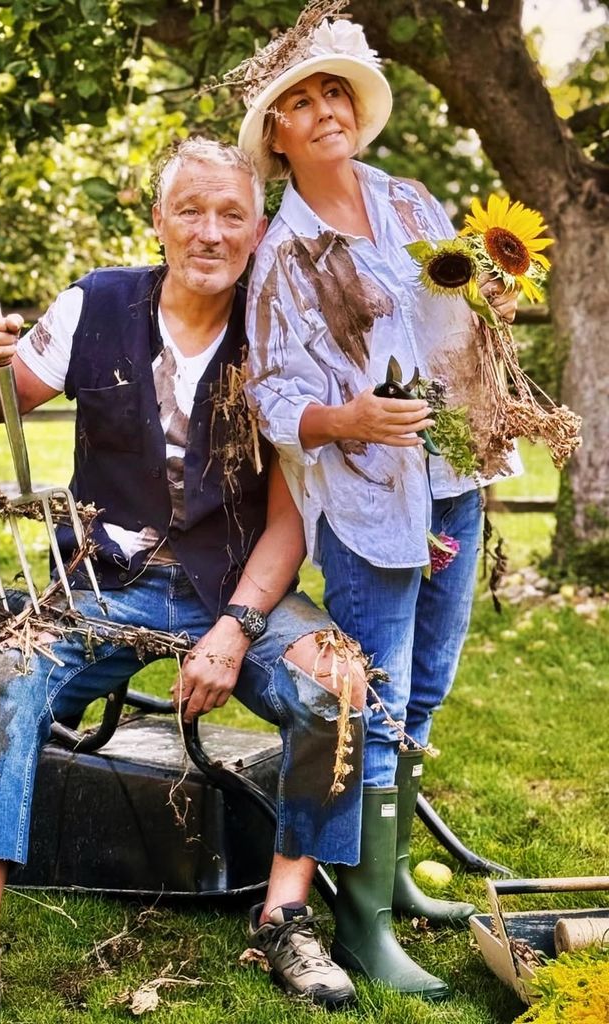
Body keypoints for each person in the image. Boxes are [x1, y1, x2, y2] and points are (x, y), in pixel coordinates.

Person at [0, 138, 369, 1019]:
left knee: (340, 683)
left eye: (232, 213)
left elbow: (288, 521)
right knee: (7, 671)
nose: (209, 230)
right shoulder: (98, 302)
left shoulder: (278, 336)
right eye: (190, 210)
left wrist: (234, 630)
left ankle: (284, 919)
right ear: (158, 220)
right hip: (106, 578)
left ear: (257, 230)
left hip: (234, 584)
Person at [231, 7, 520, 1002]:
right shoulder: (281, 254)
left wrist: (493, 301)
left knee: (426, 689)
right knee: (376, 706)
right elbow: (268, 394)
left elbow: (459, 311)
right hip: (364, 503)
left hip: (451, 476)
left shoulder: (410, 200)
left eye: (332, 93)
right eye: (298, 102)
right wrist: (344, 416)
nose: (322, 112)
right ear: (276, 135)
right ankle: (363, 920)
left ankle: (389, 868)